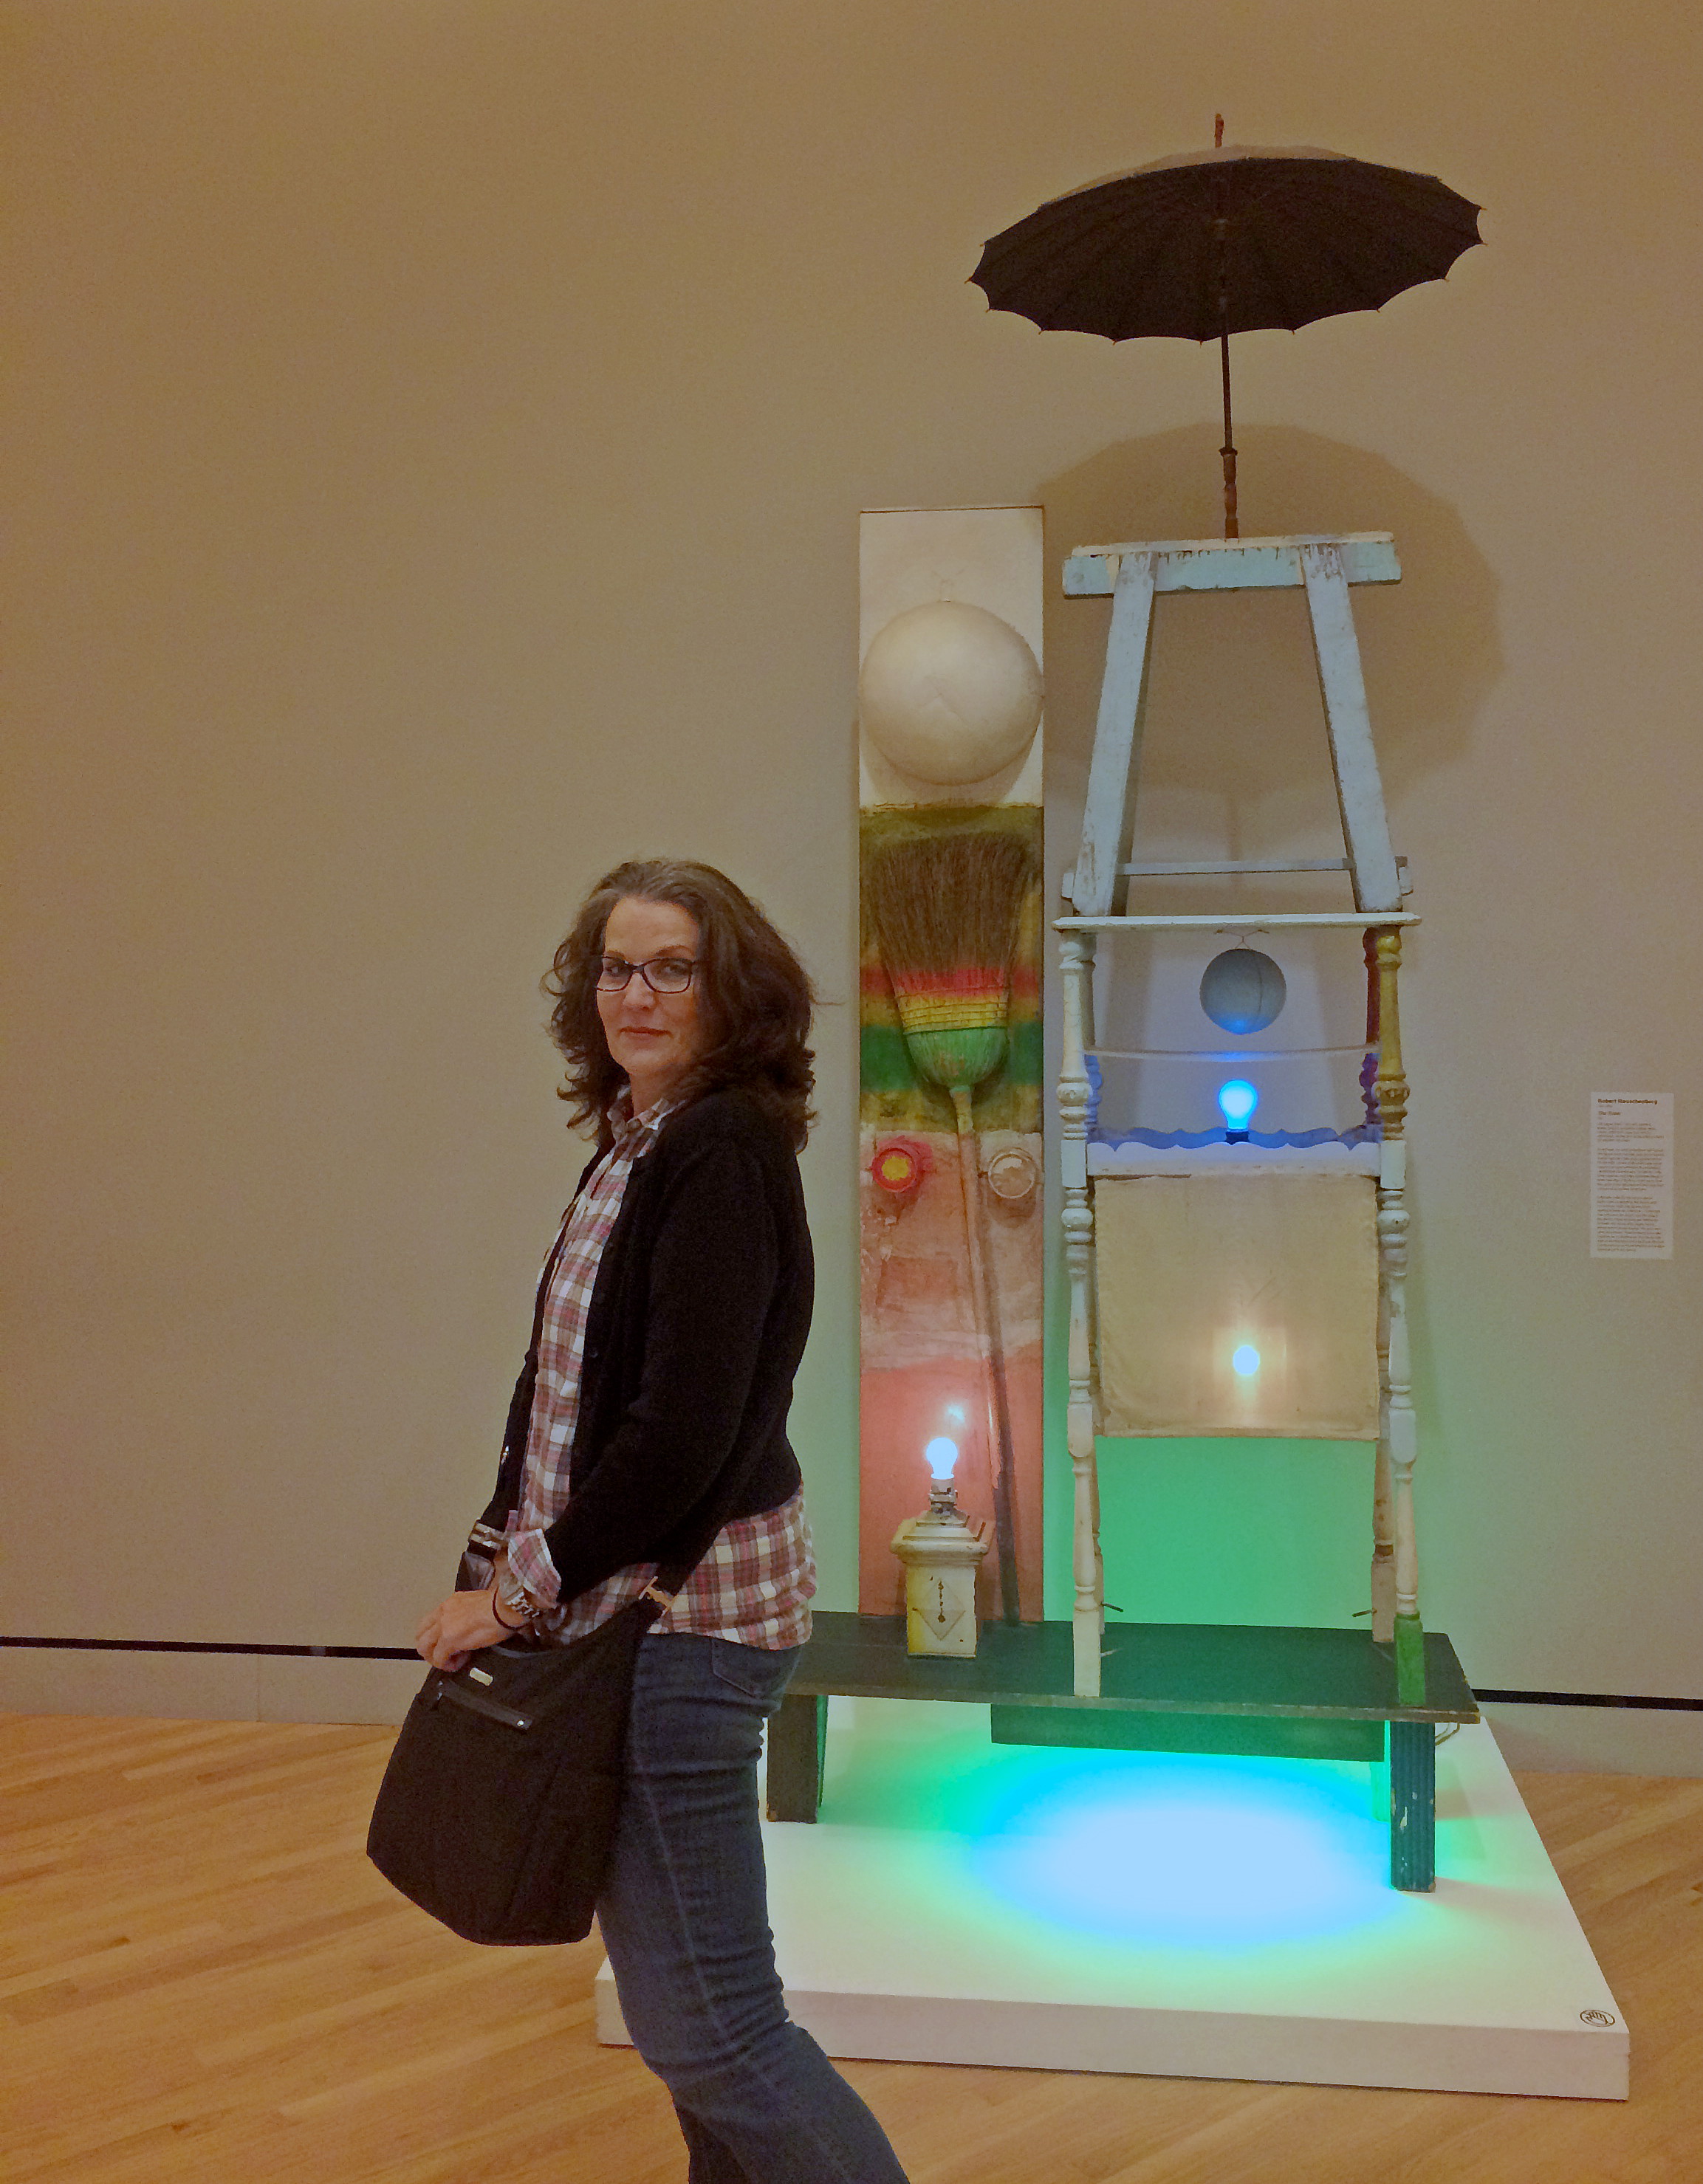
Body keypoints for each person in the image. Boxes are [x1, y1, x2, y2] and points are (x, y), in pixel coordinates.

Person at [414, 859, 911, 2184]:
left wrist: (515, 1593)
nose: (634, 994)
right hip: (639, 1608)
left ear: (729, 989)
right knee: (694, 2027)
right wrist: (505, 1539)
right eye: (616, 967)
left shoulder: (719, 1150)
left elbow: (678, 1434)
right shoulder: (641, 1138)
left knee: (714, 2031)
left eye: (671, 969)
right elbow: (566, 1389)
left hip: (689, 1619)